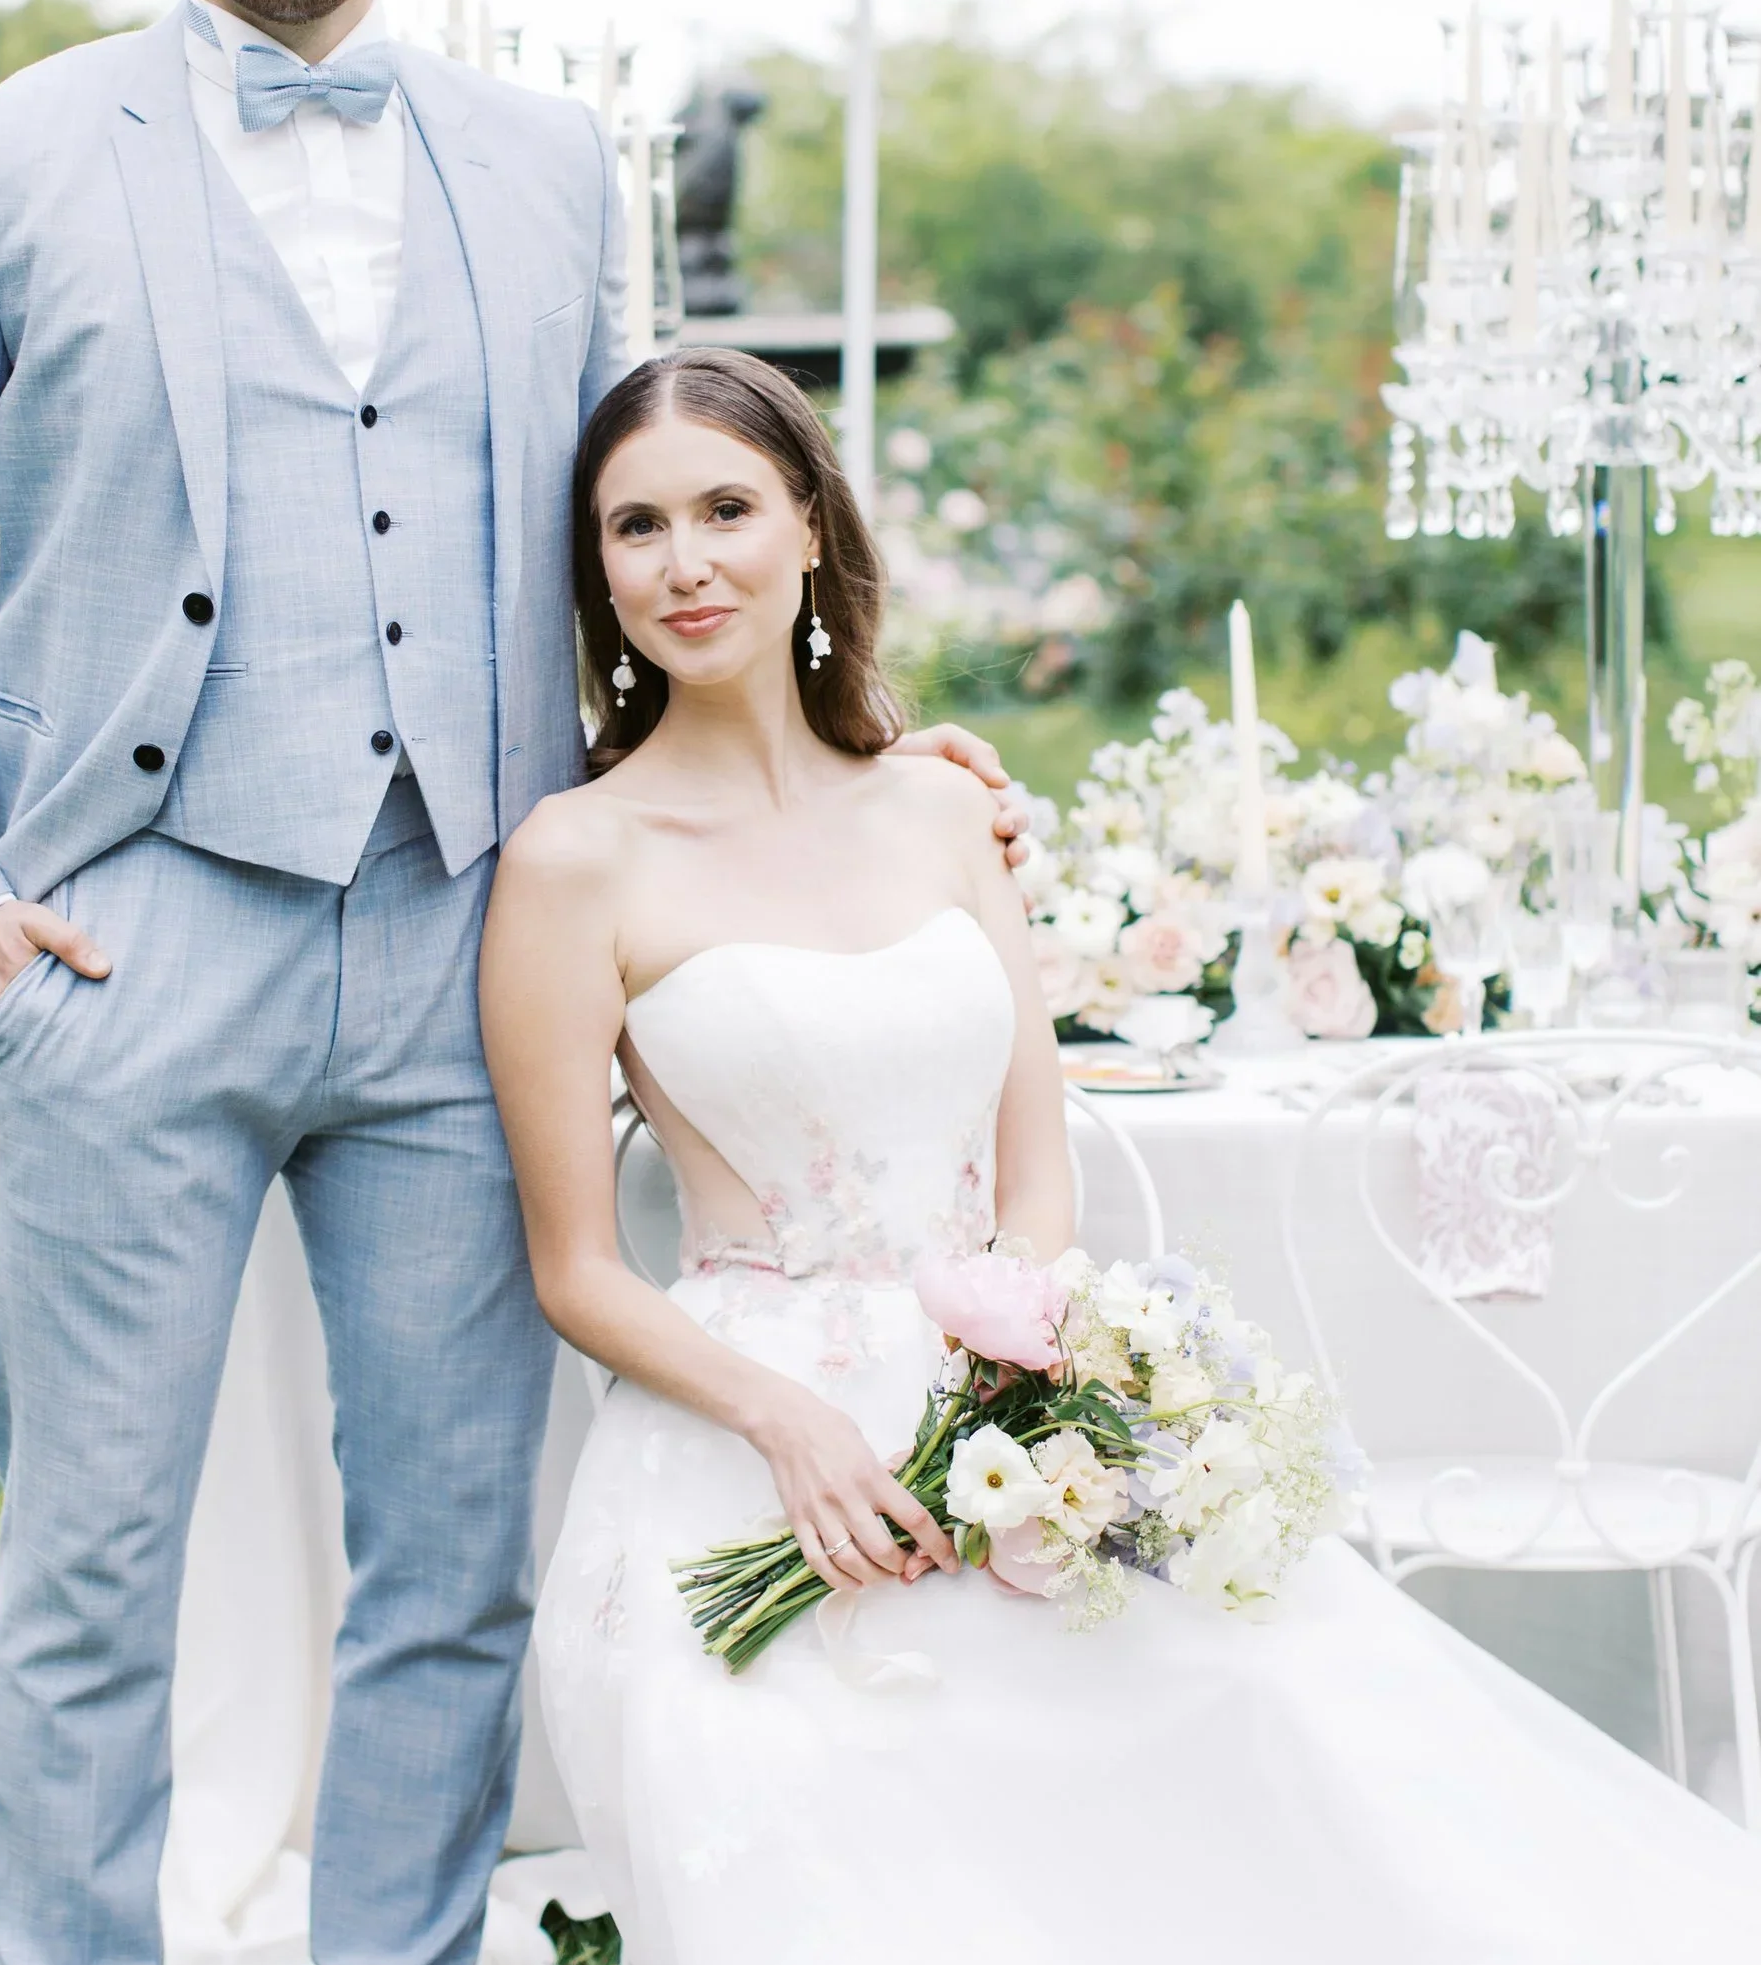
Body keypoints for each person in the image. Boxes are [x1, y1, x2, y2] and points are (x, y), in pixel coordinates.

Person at [0, 0, 1019, 1965]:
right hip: (118, 943)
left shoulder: (543, 165)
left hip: (468, 953)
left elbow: (653, 536)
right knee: (91, 1567)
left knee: (447, 1560)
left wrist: (862, 751)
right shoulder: (1, 156)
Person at [480, 346, 1761, 1965]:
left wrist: (1025, 1381)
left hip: (1004, 1377)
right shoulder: (574, 858)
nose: (686, 563)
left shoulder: (942, 808)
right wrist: (795, 1425)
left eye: (727, 508)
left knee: (1266, 1712)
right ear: (596, 574)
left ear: (809, 525)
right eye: (635, 528)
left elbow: (1036, 1156)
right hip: (751, 1432)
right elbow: (576, 1264)